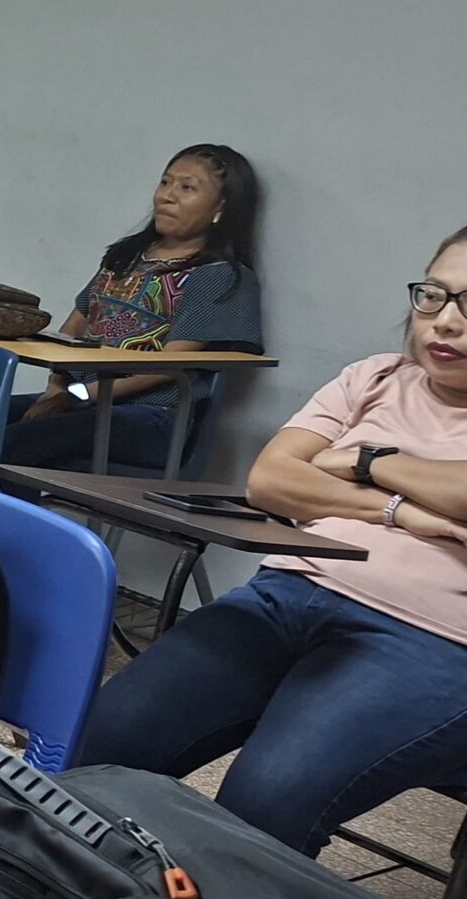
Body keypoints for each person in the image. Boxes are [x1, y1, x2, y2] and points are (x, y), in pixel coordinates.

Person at [72, 228, 467, 856]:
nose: (446, 321)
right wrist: (398, 510)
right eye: (434, 295)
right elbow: (272, 481)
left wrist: (364, 459)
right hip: (286, 595)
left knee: (264, 801)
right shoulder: (372, 378)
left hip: (433, 640)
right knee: (105, 738)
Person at [2, 145, 264, 470]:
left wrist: (77, 395)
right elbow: (70, 333)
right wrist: (54, 389)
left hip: (152, 417)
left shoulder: (219, 275)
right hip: (80, 401)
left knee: (20, 440)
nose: (167, 196)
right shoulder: (126, 257)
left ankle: (7, 506)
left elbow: (167, 366)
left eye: (187, 188)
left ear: (220, 209)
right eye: (165, 182)